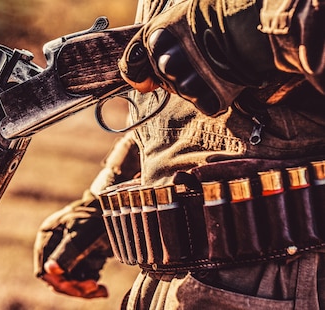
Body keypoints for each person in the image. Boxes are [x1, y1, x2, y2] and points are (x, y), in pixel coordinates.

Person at [34, 0, 325, 308]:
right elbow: (174, 118)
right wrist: (100, 206)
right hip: (171, 278)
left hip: (283, 273)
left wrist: (221, 28)